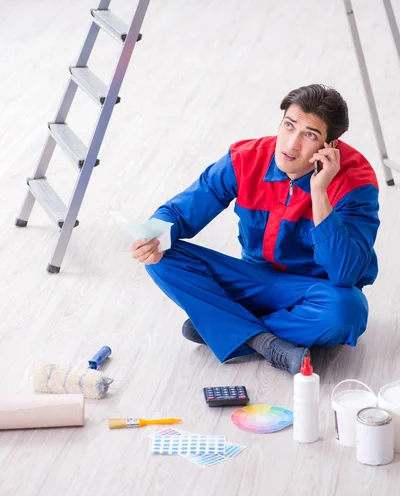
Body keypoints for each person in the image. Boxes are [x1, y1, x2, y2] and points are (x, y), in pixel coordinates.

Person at [131, 84, 380, 375]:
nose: (291, 144)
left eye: (309, 135)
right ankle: (259, 339)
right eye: (289, 126)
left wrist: (320, 192)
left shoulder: (356, 182)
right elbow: (178, 213)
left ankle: (223, 326)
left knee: (347, 311)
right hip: (251, 281)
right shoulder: (246, 158)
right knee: (162, 256)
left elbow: (345, 274)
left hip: (312, 292)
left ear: (330, 146)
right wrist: (153, 236)